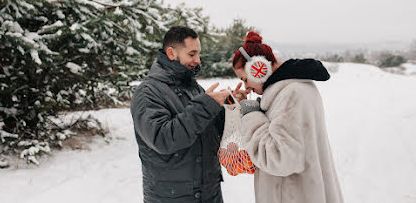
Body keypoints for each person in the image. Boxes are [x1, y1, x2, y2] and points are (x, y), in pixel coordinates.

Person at [231, 31, 344, 203]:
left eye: (246, 79)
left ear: (258, 69)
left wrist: (251, 115)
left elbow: (279, 158)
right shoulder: (290, 91)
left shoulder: (291, 96)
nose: (246, 86)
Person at [131, 26, 229, 203]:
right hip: (173, 198)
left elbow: (208, 129)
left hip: (209, 193)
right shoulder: (148, 92)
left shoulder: (193, 87)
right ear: (171, 53)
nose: (198, 60)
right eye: (192, 54)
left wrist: (228, 106)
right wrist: (205, 106)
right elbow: (163, 139)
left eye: (198, 54)